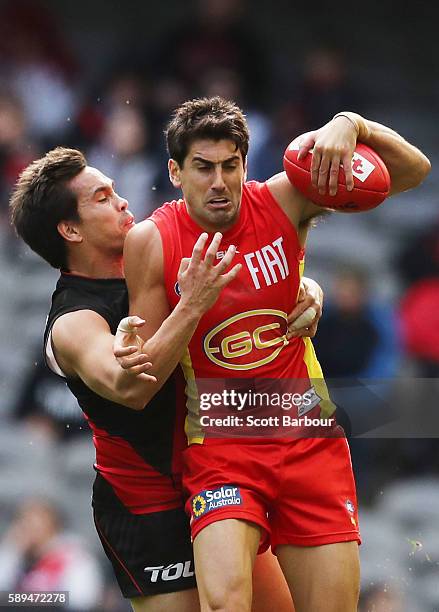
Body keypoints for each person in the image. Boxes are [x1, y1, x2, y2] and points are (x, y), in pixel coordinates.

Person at [122, 96, 431, 612]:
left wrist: (350, 124)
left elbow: (412, 172)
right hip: (223, 444)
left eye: (230, 165)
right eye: (203, 167)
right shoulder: (151, 242)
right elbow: (144, 381)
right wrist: (191, 305)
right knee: (224, 604)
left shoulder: (286, 199)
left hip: (307, 436)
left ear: (246, 163)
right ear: (175, 172)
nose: (218, 181)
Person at [9, 147, 322, 611]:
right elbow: (132, 388)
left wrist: (308, 289)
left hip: (221, 477)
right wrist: (191, 305)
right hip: (148, 507)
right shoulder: (73, 322)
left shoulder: (160, 261)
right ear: (70, 230)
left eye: (115, 190)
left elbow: (263, 271)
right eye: (101, 198)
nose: (122, 202)